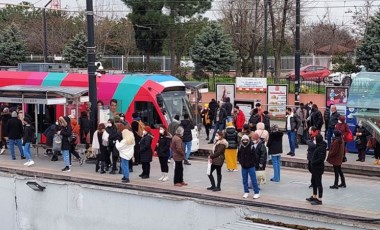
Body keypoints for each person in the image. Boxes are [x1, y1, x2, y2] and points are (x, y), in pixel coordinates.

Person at [237, 135, 260, 199]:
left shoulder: (252, 146)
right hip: (243, 166)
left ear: (248, 140)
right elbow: (238, 156)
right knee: (244, 180)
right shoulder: (240, 147)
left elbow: (255, 156)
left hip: (251, 166)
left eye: (246, 140)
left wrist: (252, 163)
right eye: (243, 140)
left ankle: (256, 192)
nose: (245, 141)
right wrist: (241, 162)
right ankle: (246, 191)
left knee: (253, 180)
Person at [306, 134, 327, 205]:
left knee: (318, 183)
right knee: (313, 181)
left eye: (315, 139)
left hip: (318, 168)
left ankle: (319, 199)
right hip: (314, 168)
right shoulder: (318, 146)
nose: (314, 140)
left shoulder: (322, 148)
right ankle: (314, 196)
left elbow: (321, 159)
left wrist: (313, 162)